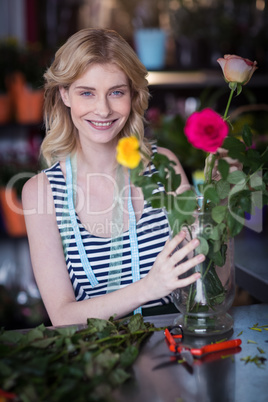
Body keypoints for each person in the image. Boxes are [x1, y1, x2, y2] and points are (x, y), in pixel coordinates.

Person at [22, 28, 204, 326]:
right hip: (97, 365)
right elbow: (62, 316)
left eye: (116, 92)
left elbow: (205, 279)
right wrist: (150, 287)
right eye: (87, 93)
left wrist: (221, 213)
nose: (103, 109)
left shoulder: (163, 164)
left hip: (175, 352)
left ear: (133, 94)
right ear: (64, 94)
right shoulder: (41, 192)